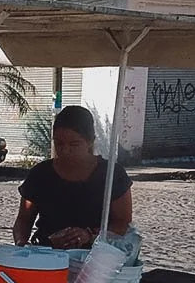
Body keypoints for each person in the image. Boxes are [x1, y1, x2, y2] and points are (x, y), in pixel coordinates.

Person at [12, 105, 133, 249]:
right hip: (45, 254)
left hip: (95, 257)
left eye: (74, 144)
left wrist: (89, 236)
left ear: (90, 142)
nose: (65, 150)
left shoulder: (112, 173)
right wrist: (21, 245)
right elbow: (24, 219)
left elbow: (122, 222)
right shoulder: (40, 173)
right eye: (59, 143)